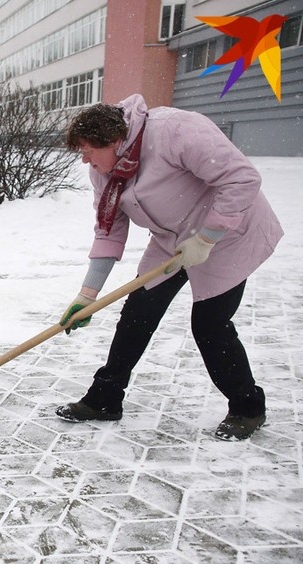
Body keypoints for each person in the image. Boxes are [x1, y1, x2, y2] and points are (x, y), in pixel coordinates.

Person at [56, 94, 283, 441]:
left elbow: (242, 179)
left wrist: (206, 238)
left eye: (88, 149)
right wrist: (87, 296)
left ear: (116, 141)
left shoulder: (175, 130)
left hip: (228, 235)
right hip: (171, 240)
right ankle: (105, 399)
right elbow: (109, 228)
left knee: (210, 324)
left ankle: (247, 407)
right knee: (137, 313)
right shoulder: (105, 172)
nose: (84, 159)